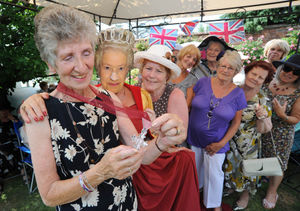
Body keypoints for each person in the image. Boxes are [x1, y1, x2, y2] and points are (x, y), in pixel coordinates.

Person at [21, 6, 186, 210]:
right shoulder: (40, 113)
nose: (81, 67)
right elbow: (49, 195)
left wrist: (163, 140)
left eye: (86, 53)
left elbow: (141, 155)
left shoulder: (108, 98)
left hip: (126, 204)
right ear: (51, 64)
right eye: (68, 57)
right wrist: (101, 172)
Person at [133, 44, 201, 210]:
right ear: (142, 70)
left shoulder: (175, 94)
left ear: (167, 76)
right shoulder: (133, 91)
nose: (151, 75)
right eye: (148, 68)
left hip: (163, 155)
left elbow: (180, 134)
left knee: (185, 158)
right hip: (138, 152)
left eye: (159, 71)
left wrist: (157, 127)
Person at [187, 50, 247, 211]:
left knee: (214, 174)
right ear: (218, 66)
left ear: (236, 71)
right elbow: (188, 99)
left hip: (216, 141)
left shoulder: (238, 93)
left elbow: (236, 122)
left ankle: (214, 205)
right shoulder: (203, 82)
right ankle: (195, 195)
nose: (225, 70)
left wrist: (221, 143)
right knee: (195, 170)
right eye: (223, 66)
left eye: (230, 68)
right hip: (194, 137)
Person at [223, 61, 275, 210]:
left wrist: (262, 117)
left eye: (261, 77)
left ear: (265, 81)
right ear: (247, 72)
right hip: (228, 138)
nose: (255, 78)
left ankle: (245, 195)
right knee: (229, 165)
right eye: (254, 74)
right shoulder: (233, 90)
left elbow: (264, 129)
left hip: (248, 143)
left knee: (248, 170)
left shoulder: (263, 100)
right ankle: (231, 187)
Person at [261, 54, 300, 209]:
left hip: (281, 133)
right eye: (288, 68)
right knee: (260, 157)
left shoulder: (298, 93)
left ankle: (272, 191)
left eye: (296, 72)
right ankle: (260, 178)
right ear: (281, 68)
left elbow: (296, 118)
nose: (290, 73)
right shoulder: (267, 81)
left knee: (278, 163)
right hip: (260, 128)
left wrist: (282, 115)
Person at [176, 36, 234, 107]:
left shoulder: (225, 71)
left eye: (216, 50)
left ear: (221, 54)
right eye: (210, 49)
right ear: (206, 50)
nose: (212, 52)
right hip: (196, 106)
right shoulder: (197, 68)